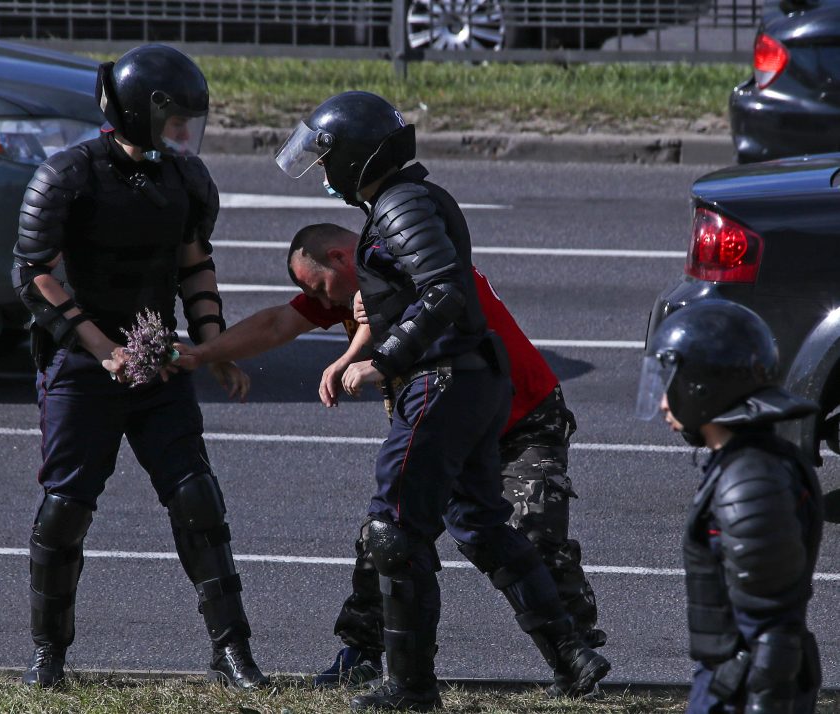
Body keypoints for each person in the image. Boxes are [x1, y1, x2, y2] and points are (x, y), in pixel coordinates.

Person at [274, 91, 609, 712]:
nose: (324, 174)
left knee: (394, 529)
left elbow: (445, 291)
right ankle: (572, 656)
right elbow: (410, 294)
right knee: (480, 524)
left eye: (327, 160)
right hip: (474, 378)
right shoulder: (403, 201)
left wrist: (387, 360)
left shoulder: (400, 203)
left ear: (357, 153)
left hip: (443, 378)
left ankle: (410, 685)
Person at [185, 222, 606, 695]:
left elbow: (430, 310)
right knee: (386, 534)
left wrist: (357, 353)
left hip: (522, 416)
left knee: (535, 536)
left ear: (344, 259)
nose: (324, 305)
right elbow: (279, 323)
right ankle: (363, 652)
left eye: (320, 289)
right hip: (448, 425)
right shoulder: (355, 290)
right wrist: (201, 356)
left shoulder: (410, 261)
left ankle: (578, 656)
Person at [10, 44, 267, 689]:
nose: (184, 132)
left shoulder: (184, 178)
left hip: (157, 367)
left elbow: (193, 264)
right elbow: (34, 275)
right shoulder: (69, 174)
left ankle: (232, 650)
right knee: (66, 507)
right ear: (136, 111)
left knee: (196, 499)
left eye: (190, 120)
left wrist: (214, 347)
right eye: (174, 119)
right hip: (82, 366)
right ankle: (49, 656)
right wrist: (106, 351)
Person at [636, 300, 823, 714]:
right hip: (730, 681)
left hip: (744, 692)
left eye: (671, 383)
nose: (664, 403)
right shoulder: (745, 461)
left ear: (701, 387)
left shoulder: (750, 481)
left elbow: (773, 631)